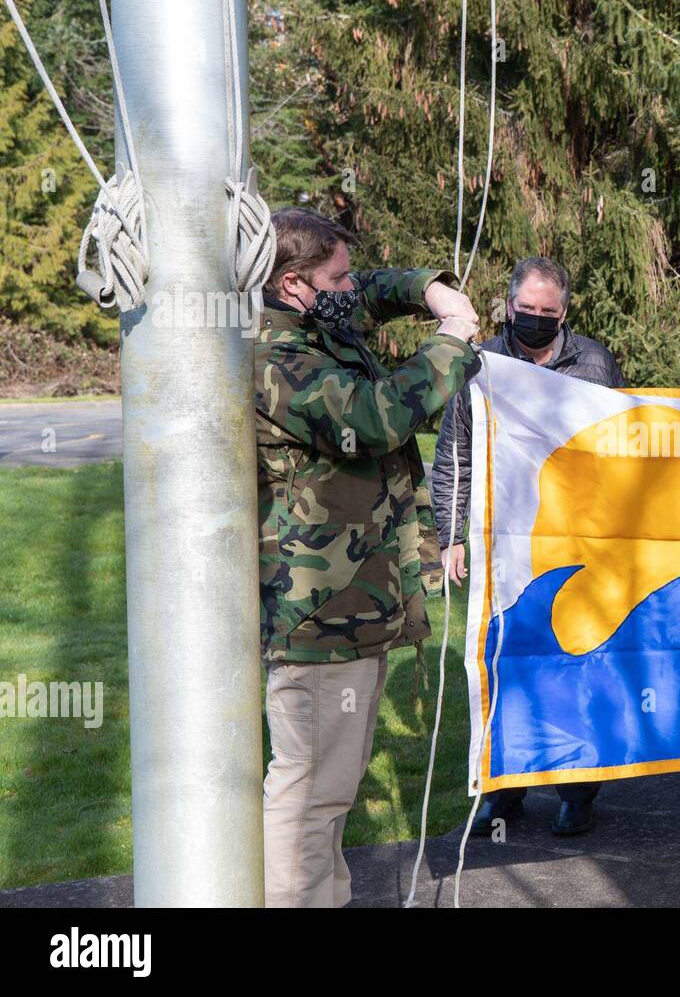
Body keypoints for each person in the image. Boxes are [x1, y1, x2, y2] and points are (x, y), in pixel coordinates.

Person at [256, 207, 481, 907]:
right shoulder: (280, 361)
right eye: (337, 275)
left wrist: (429, 288)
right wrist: (452, 341)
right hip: (321, 616)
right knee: (309, 793)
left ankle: (326, 898)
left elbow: (365, 290)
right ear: (293, 284)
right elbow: (374, 419)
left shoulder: (313, 322)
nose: (351, 286)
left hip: (352, 607)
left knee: (329, 789)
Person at [432, 256, 625, 837]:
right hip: (502, 538)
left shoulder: (594, 363)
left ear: (564, 313)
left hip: (579, 535)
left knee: (576, 660)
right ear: (508, 306)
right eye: (526, 311)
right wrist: (449, 536)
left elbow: (620, 449)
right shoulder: (480, 363)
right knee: (501, 662)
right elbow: (453, 456)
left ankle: (577, 791)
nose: (536, 320)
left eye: (548, 312)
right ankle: (506, 790)